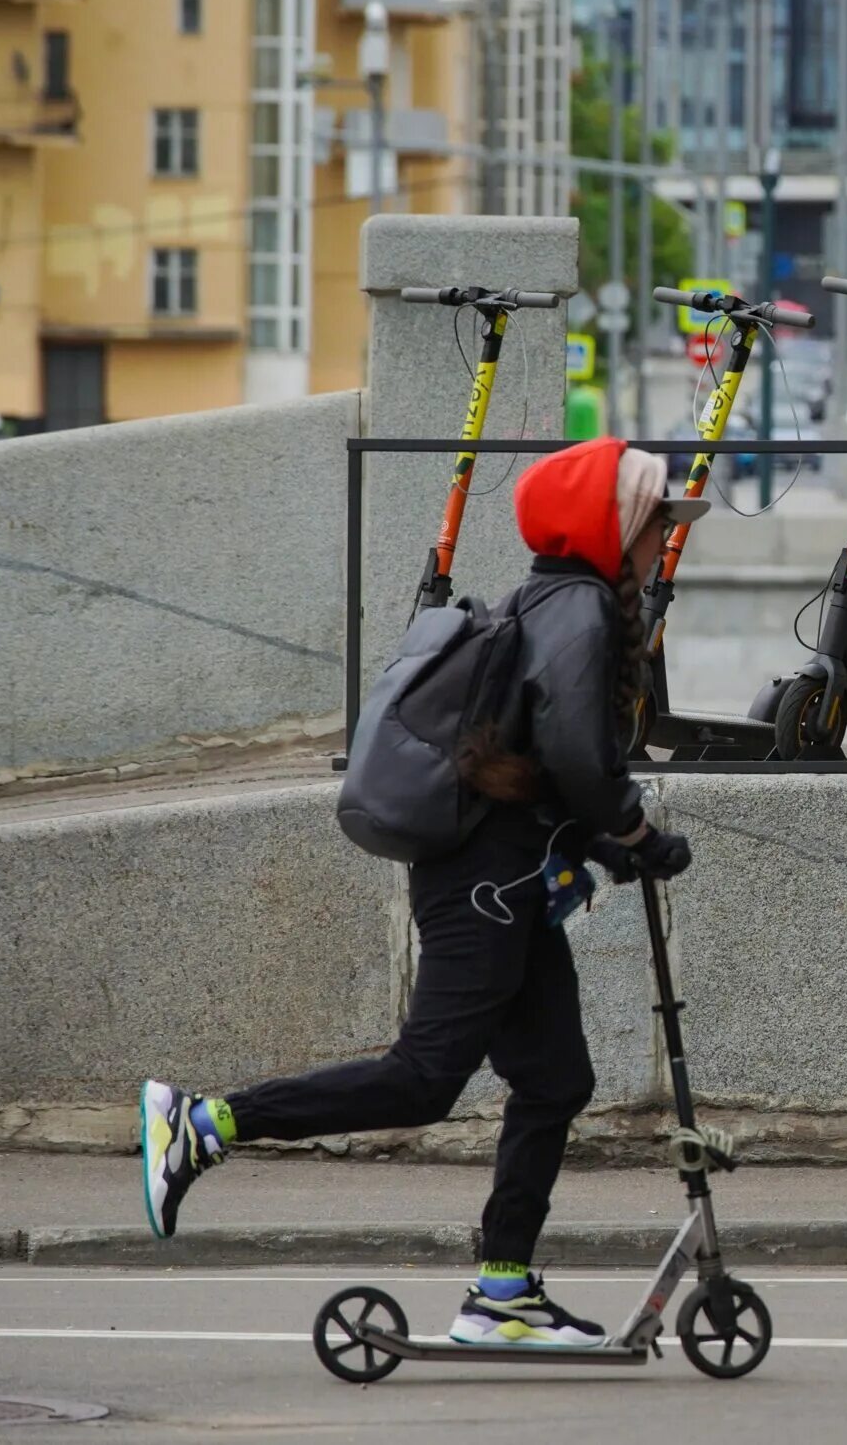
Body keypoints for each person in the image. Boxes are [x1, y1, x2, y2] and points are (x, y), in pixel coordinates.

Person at [139, 437, 703, 1347]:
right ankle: (204, 1120)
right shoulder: (582, 609)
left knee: (556, 1078)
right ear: (617, 525)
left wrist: (609, 841)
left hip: (509, 882)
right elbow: (573, 754)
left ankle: (503, 1293)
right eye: (656, 525)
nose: (663, 545)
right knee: (423, 1079)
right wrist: (634, 830)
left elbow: (540, 762)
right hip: (487, 886)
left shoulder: (556, 602)